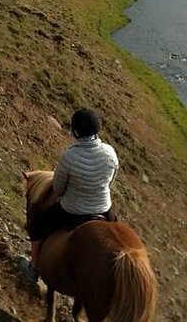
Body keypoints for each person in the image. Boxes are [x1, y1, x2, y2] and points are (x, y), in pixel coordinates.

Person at [21, 108, 119, 282]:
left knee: (37, 225)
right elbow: (111, 180)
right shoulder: (110, 152)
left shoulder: (70, 156)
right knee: (118, 239)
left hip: (72, 210)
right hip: (104, 208)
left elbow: (58, 189)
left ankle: (34, 267)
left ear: (75, 131)